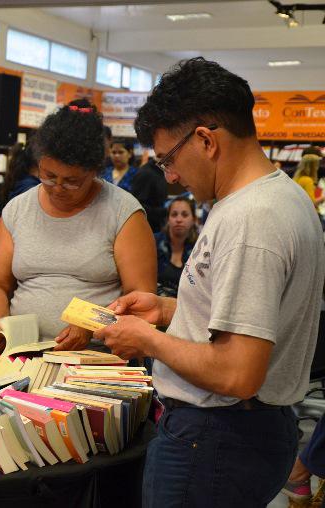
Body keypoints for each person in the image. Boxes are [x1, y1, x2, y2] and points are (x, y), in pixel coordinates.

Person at [94, 57, 325, 507]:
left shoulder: (250, 220)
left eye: (168, 159)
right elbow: (256, 319)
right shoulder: (282, 197)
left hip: (215, 438)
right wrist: (166, 310)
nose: (170, 176)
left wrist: (147, 339)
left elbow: (237, 372)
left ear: (205, 140)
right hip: (239, 434)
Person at [0, 99, 156, 353]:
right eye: (48, 176)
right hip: (23, 351)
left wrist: (92, 324)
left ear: (94, 172)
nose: (58, 188)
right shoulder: (18, 209)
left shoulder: (123, 212)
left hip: (97, 356)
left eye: (72, 181)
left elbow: (142, 299)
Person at [155, 197, 198, 297]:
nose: (179, 220)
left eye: (185, 215)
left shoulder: (200, 249)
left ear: (194, 219)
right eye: (174, 215)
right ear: (168, 219)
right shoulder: (153, 242)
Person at [130, 157, 168, 233]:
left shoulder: (159, 171)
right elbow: (137, 207)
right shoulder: (146, 174)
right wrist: (165, 211)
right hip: (145, 229)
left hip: (155, 228)